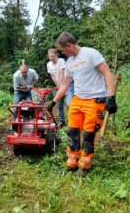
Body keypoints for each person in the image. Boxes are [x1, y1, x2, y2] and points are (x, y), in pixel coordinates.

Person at [47, 32, 117, 177]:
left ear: (68, 45)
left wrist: (111, 97)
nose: (62, 53)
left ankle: (84, 165)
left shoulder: (91, 54)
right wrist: (53, 102)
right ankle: (72, 160)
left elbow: (107, 73)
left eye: (62, 50)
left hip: (94, 100)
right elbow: (65, 85)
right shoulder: (69, 62)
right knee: (72, 131)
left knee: (88, 134)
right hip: (78, 100)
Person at [47, 48, 74, 128]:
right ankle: (62, 121)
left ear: (56, 55)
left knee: (69, 104)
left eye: (53, 56)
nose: (52, 58)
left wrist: (62, 84)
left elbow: (62, 73)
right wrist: (58, 85)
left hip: (68, 84)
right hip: (59, 86)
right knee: (59, 105)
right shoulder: (49, 64)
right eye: (50, 56)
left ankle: (72, 122)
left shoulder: (61, 61)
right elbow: (52, 75)